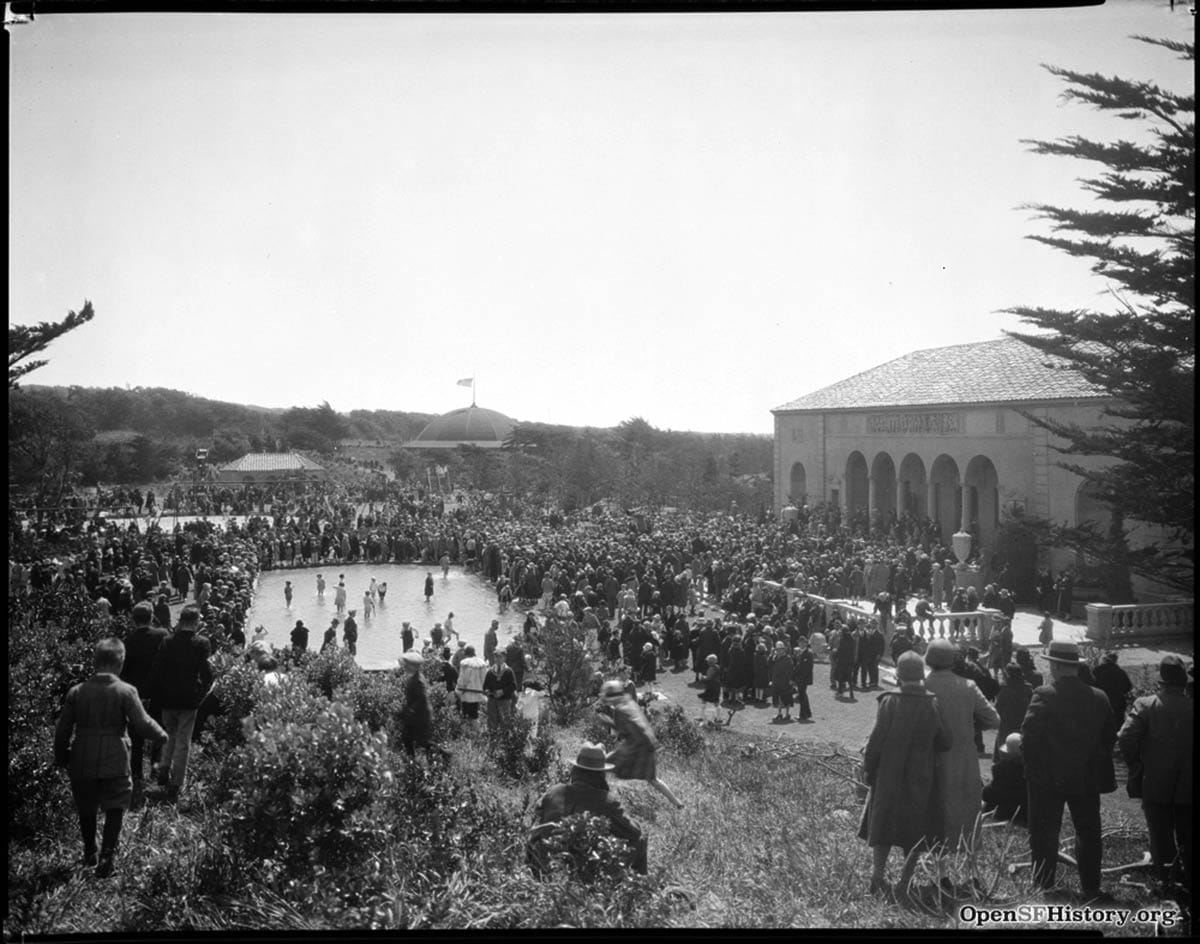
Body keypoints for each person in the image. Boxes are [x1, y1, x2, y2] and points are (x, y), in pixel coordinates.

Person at [55, 637, 168, 877]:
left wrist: (61, 755)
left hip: (82, 756)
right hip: (115, 756)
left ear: (95, 662)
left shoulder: (76, 692)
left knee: (86, 805)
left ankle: (89, 852)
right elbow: (142, 722)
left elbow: (63, 729)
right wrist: (161, 736)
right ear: (120, 663)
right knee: (116, 804)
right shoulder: (126, 691)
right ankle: (107, 858)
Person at [1020, 639, 1117, 900]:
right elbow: (1110, 737)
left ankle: (1044, 885)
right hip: (1086, 776)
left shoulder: (1044, 694)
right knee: (1088, 832)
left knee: (1043, 832)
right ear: (1074, 666)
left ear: (1056, 666)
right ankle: (1091, 887)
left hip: (1047, 777)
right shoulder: (1099, 697)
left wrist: (1033, 766)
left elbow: (1029, 737)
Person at [859, 651, 952, 897]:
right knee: (915, 828)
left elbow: (876, 741)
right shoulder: (932, 702)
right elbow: (945, 742)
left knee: (883, 826)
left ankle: (877, 876)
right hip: (921, 776)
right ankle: (905, 881)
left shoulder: (889, 701)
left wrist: (869, 769)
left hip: (889, 775)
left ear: (898, 675)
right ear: (922, 676)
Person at [1117, 654, 1192, 899]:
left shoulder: (1146, 705)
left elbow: (1126, 737)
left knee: (1160, 837)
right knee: (1188, 835)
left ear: (1161, 682)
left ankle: (1167, 885)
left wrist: (1137, 765)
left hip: (1156, 783)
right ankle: (1186, 883)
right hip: (1188, 787)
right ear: (1183, 683)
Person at [923, 638, 999, 853]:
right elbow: (994, 720)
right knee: (965, 809)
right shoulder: (968, 687)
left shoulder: (924, 686)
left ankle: (940, 864)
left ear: (928, 660)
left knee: (935, 809)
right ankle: (969, 863)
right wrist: (972, 727)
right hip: (964, 756)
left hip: (932, 757)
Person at [528, 743, 648, 877]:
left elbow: (537, 814)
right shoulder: (607, 800)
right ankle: (638, 890)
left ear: (576, 769)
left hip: (544, 864)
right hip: (584, 869)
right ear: (601, 773)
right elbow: (634, 833)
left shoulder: (554, 791)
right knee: (641, 838)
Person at [149, 604, 213, 801]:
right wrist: (200, 696)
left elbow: (157, 670)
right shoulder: (202, 643)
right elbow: (207, 675)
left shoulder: (167, 641)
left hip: (168, 698)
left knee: (169, 735)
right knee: (183, 742)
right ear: (195, 622)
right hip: (189, 699)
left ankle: (163, 771)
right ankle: (177, 783)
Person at [596, 680, 684, 809]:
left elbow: (631, 730)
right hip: (647, 745)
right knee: (652, 779)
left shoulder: (620, 709)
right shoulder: (629, 702)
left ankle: (601, 798)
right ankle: (677, 803)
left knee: (602, 765)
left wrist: (608, 723)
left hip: (636, 746)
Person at [120, 601, 168, 790]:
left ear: (133, 619)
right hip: (159, 691)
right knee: (159, 731)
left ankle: (137, 774)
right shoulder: (162, 635)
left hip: (136, 694)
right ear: (151, 616)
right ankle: (156, 770)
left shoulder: (127, 640)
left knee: (136, 736)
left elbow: (123, 671)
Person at [397, 650, 450, 761]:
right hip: (414, 715)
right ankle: (411, 762)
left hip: (421, 716)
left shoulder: (418, 680)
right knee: (407, 739)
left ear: (413, 666)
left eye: (407, 664)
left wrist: (410, 710)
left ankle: (444, 754)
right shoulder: (413, 677)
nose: (405, 667)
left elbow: (421, 698)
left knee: (423, 742)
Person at [981, 733, 1028, 827]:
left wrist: (984, 790)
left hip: (1007, 812)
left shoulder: (1001, 769)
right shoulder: (1032, 768)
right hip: (1027, 813)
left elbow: (991, 794)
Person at [993, 663, 1032, 760]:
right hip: (1023, 727)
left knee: (1004, 757)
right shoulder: (1028, 688)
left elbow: (997, 709)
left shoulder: (1005, 690)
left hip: (1006, 727)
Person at [1092, 651, 1134, 731]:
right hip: (1118, 704)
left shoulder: (1097, 671)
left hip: (1101, 702)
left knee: (1103, 727)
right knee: (1118, 726)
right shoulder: (1120, 672)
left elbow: (1092, 685)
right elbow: (1128, 687)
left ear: (1104, 659)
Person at [483, 650, 517, 732]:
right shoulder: (490, 671)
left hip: (504, 700)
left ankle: (505, 740)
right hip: (492, 700)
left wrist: (502, 691)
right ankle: (492, 738)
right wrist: (487, 691)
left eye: (500, 657)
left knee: (505, 720)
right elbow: (485, 685)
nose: (498, 659)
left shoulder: (508, 671)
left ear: (504, 658)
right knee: (491, 720)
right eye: (496, 657)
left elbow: (513, 685)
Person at [455, 645, 488, 721]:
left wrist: (458, 691)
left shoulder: (464, 663)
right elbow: (484, 680)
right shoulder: (482, 663)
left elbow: (462, 680)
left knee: (465, 717)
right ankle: (476, 732)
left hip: (466, 694)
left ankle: (468, 732)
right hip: (478, 694)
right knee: (474, 716)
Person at [769, 641, 794, 721]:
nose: (779, 651)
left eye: (780, 649)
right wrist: (771, 655)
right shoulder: (775, 657)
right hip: (776, 681)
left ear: (784, 650)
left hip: (785, 681)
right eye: (777, 650)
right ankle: (779, 713)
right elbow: (769, 665)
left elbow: (790, 670)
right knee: (778, 698)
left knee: (787, 698)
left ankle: (787, 714)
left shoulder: (787, 658)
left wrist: (790, 679)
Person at [793, 639, 814, 722]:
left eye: (802, 643)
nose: (801, 644)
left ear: (806, 643)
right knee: (802, 695)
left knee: (802, 696)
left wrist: (799, 677)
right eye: (799, 642)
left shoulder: (808, 653)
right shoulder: (801, 652)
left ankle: (803, 714)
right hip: (801, 678)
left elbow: (806, 667)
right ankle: (806, 713)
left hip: (803, 678)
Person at [699, 653, 722, 726]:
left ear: (710, 662)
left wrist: (703, 677)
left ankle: (703, 718)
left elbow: (709, 678)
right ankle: (718, 718)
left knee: (704, 700)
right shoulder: (717, 667)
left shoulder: (711, 669)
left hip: (711, 687)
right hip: (717, 686)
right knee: (716, 701)